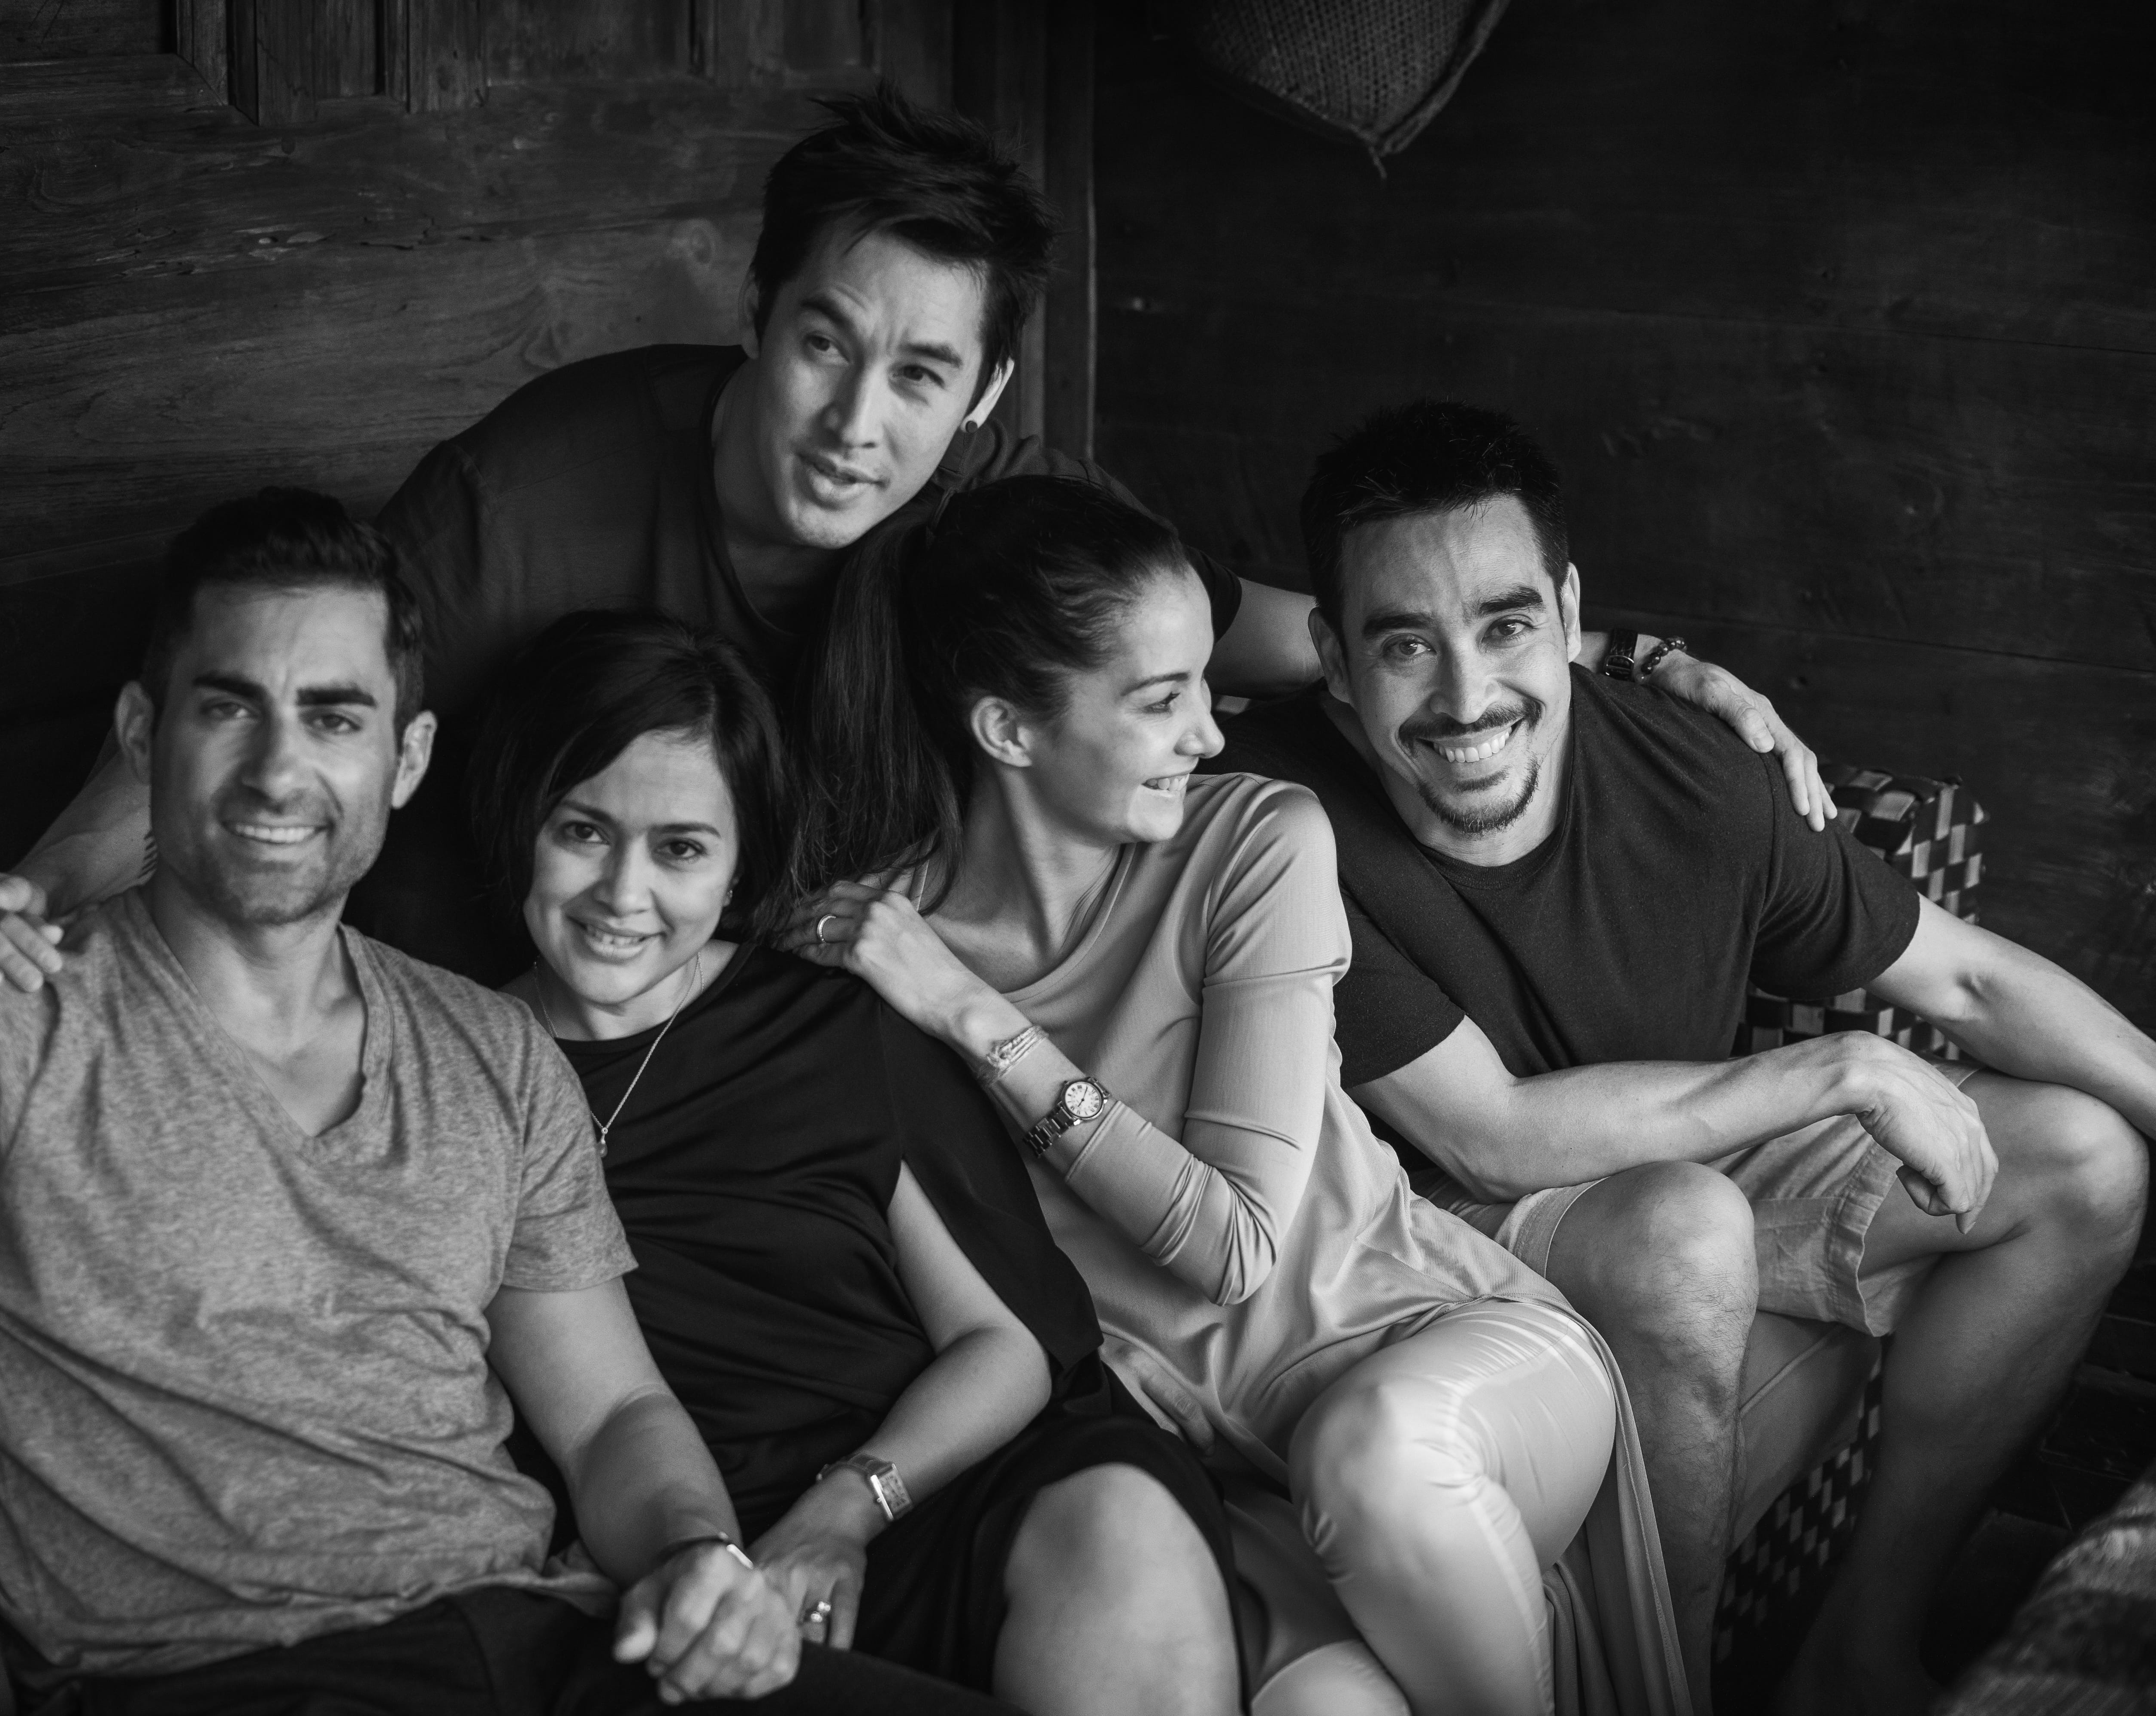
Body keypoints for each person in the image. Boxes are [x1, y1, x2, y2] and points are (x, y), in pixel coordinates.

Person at [0, 84, 1823, 992]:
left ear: (981, 398)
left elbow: (1301, 628)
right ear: (758, 314)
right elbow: (278, 710)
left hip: (801, 1009)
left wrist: (1620, 661)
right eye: (825, 343)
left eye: (919, 376)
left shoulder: (995, 501)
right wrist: (28, 893)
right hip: (494, 1000)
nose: (855, 421)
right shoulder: (535, 486)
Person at [0, 491, 1023, 1716]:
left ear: (405, 759)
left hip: (558, 1643)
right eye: (231, 708)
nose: (281, 770)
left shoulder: (492, 1051)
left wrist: (702, 1561)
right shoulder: (1, 1021)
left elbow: (612, 1421)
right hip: (237, 1681)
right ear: (145, 734)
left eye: (334, 716)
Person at [1213, 399, 2153, 1716]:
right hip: (1437, 1233)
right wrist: (1839, 1072)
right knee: (1680, 1232)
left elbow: (1969, 977)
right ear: (1331, 654)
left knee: (2088, 1164)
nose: (1468, 699)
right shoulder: (1277, 822)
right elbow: (1490, 1135)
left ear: (1568, 613)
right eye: (1406, 645)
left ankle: (1857, 1645)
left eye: (1505, 626)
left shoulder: (1693, 769)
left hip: (1671, 1160)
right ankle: (1678, 1688)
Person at [786, 474, 1692, 1715]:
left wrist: (974, 1019)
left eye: (1203, 690)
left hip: (1441, 1364)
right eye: (1162, 701)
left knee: (1376, 1463)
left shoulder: (1254, 842)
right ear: (1008, 729)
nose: (1210, 735)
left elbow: (1234, 1246)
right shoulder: (871, 951)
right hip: (1225, 1482)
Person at [461, 608, 1243, 1715]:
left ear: (738, 866)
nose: (624, 895)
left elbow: (1004, 1346)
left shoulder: (834, 1028)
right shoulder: (449, 1065)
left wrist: (840, 1515)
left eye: (681, 848)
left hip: (921, 1493)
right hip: (665, 1552)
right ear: (521, 821)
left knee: (1121, 1520)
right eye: (584, 832)